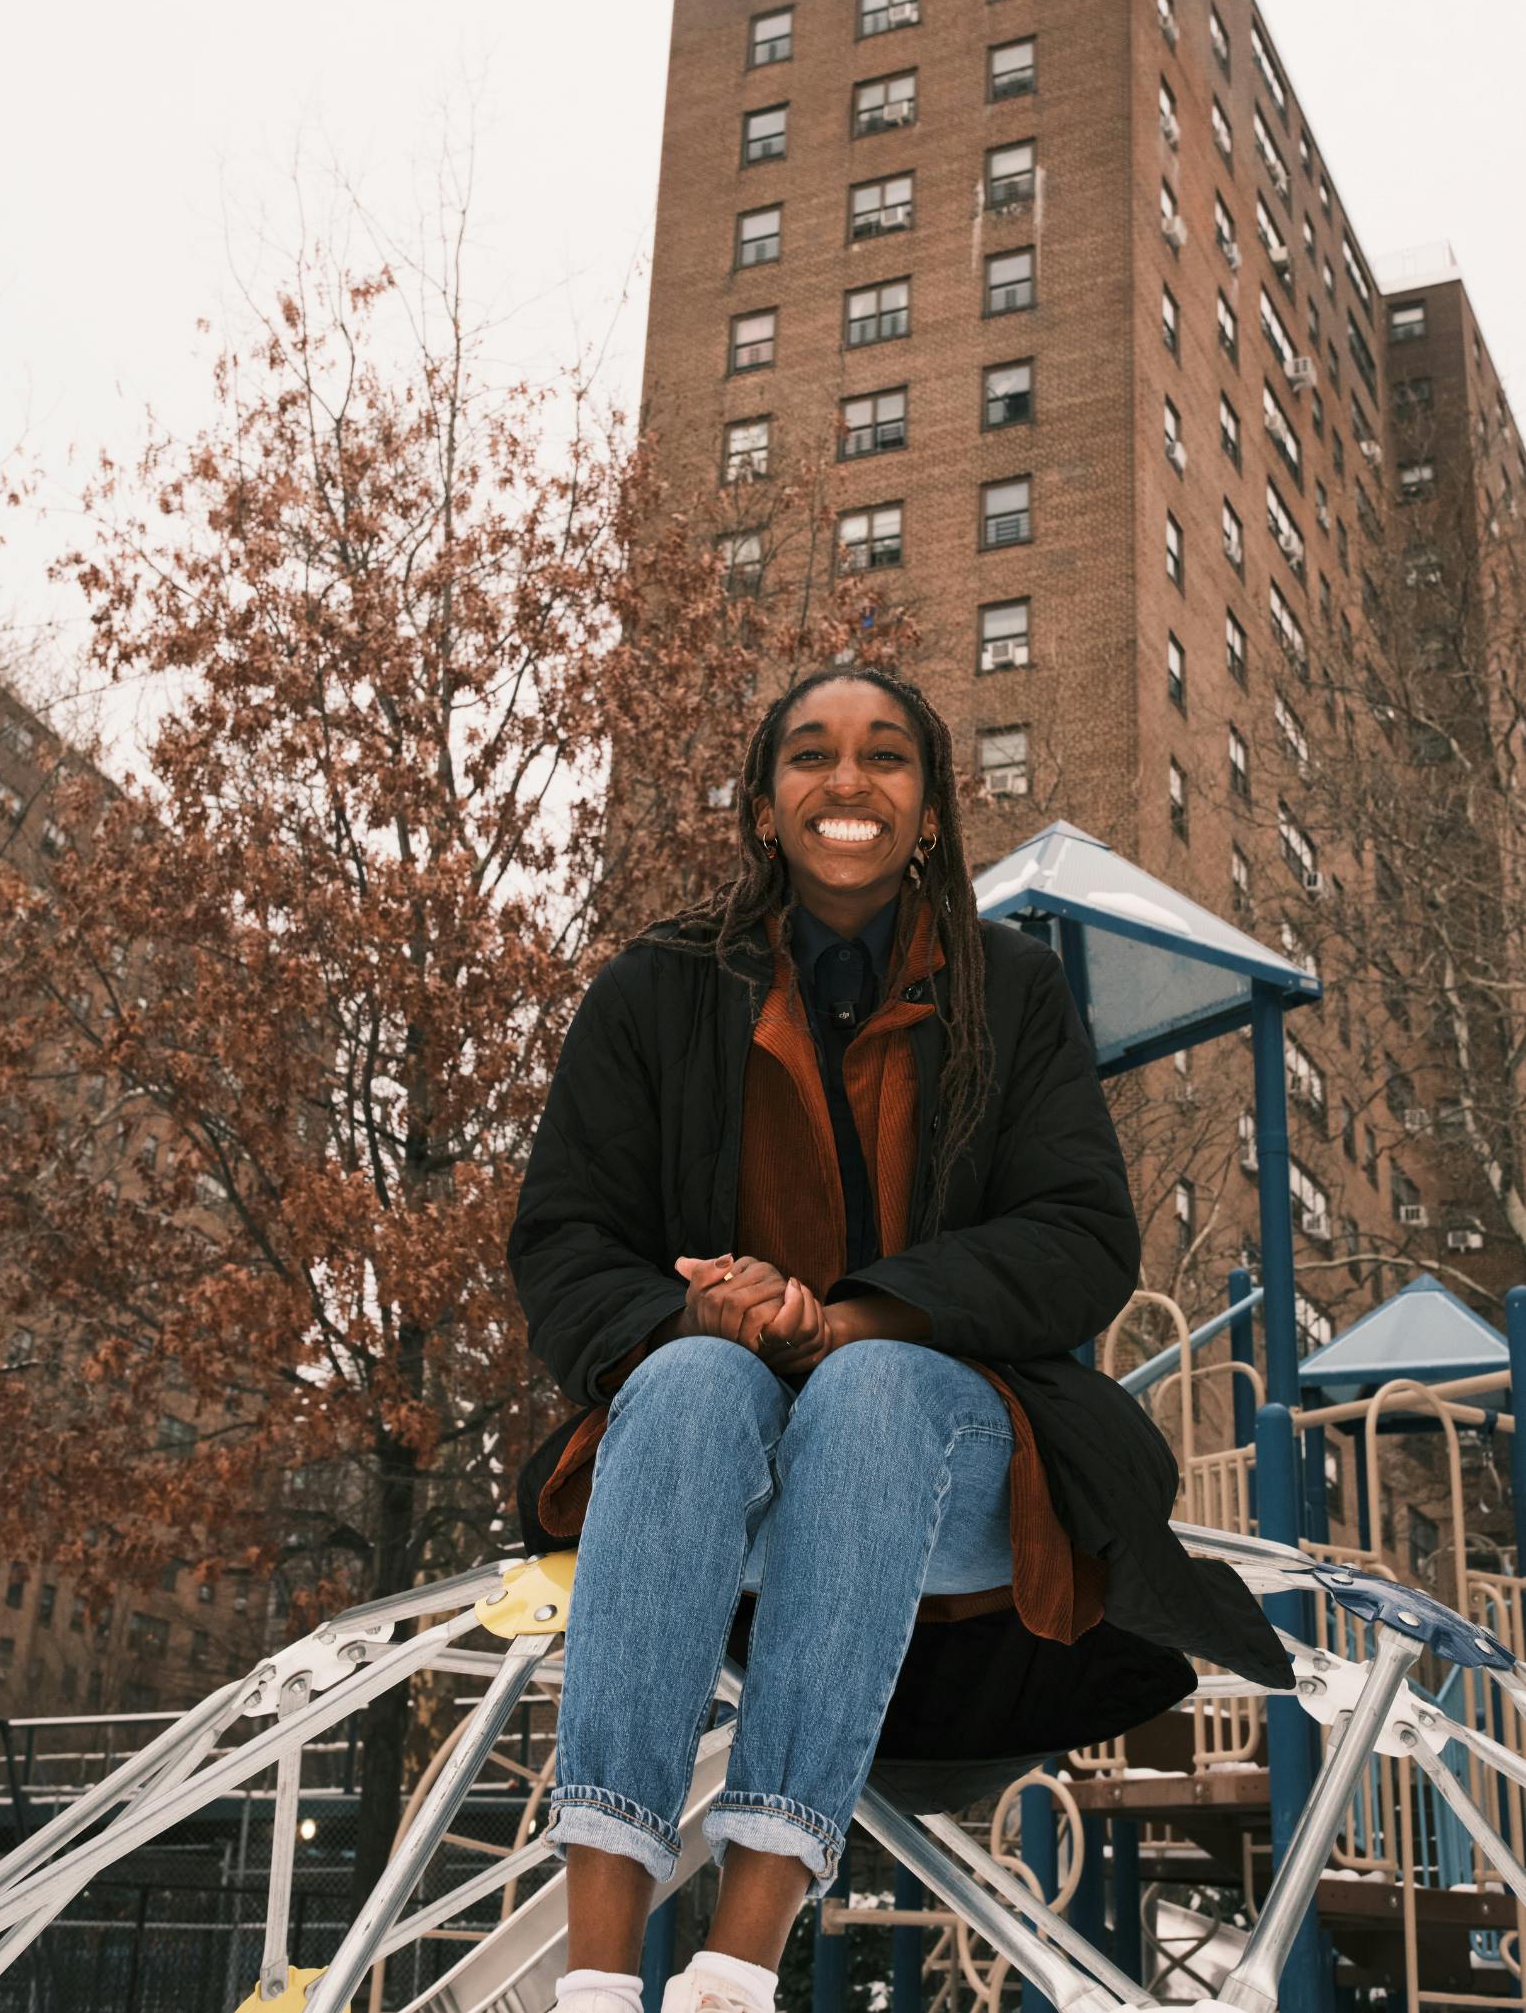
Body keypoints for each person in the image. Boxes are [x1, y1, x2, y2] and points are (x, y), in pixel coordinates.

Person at [507, 668, 1291, 2013]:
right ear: (765, 805)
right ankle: (592, 1979)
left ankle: (734, 1971)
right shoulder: (654, 989)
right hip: (716, 1457)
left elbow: (1081, 1237)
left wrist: (852, 1312)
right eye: (810, 756)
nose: (847, 783)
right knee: (693, 1379)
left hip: (958, 1458)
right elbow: (563, 1237)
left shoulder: (1015, 993)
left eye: (885, 758)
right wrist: (698, 1312)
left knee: (869, 1388)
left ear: (930, 811)